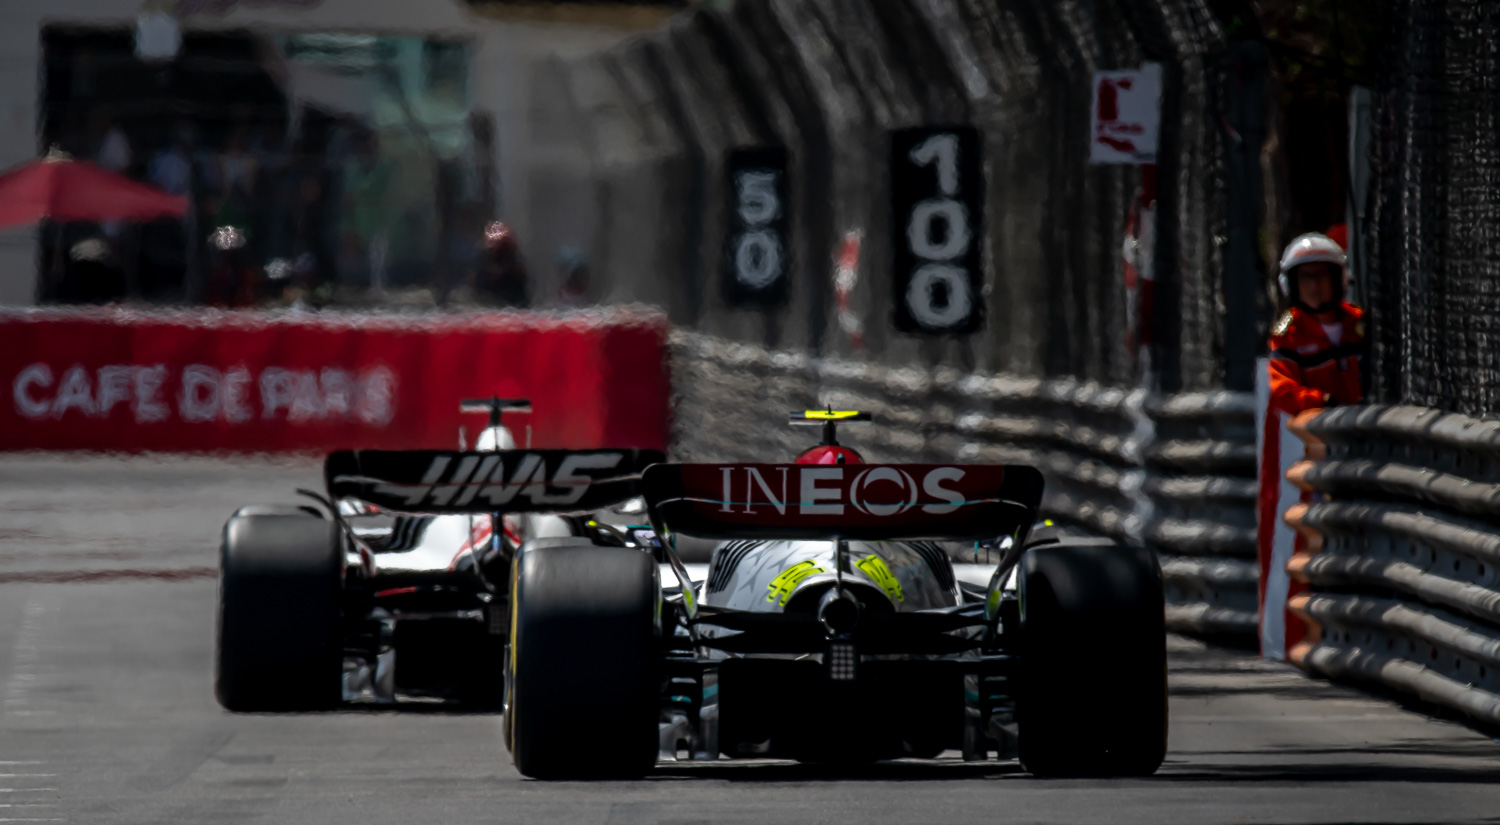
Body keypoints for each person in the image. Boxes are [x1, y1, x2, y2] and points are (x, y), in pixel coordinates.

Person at [1267, 232, 1364, 414]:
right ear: (1292, 284)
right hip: (1321, 433)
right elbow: (1283, 391)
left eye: (1321, 276)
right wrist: (1322, 401)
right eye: (1305, 277)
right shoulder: (1289, 336)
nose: (1314, 286)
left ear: (1338, 278)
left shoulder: (1361, 323)